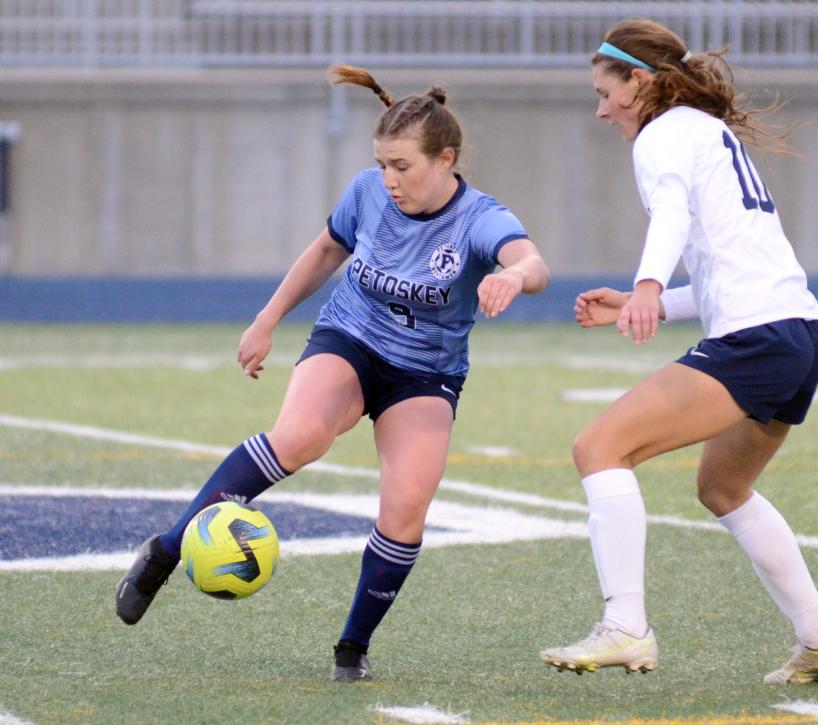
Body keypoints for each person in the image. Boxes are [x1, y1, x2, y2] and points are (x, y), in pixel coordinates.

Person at [115, 65, 550, 683]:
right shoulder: (366, 193)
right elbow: (325, 251)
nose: (390, 180)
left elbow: (533, 263)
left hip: (425, 374)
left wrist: (513, 274)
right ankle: (164, 551)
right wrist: (266, 321)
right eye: (382, 164)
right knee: (300, 437)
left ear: (445, 158)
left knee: (405, 511)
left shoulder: (479, 218)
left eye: (404, 166)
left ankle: (351, 649)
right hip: (350, 338)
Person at [539, 18, 818, 685]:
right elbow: (730, 272)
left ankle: (625, 626)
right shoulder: (703, 130)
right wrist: (647, 297)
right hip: (801, 331)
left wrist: (649, 286)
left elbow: (672, 213)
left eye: (608, 92)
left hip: (759, 338)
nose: (601, 110)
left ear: (642, 80)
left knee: (598, 448)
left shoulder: (662, 134)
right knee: (723, 485)